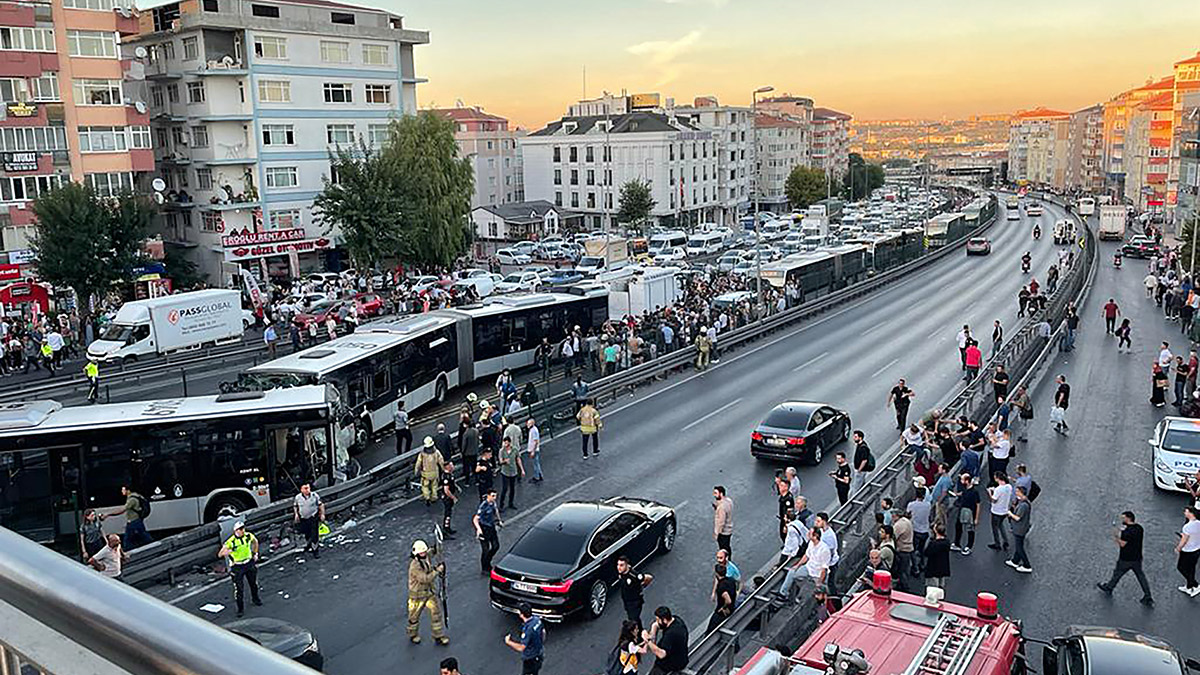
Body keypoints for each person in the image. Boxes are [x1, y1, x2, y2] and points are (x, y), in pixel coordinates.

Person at [1096, 511, 1153, 606]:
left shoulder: (1128, 532)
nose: (1122, 520)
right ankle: (1148, 595)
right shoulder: (1139, 528)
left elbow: (1122, 544)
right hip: (1137, 558)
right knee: (1141, 577)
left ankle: (1109, 587)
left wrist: (1116, 537)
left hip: (1126, 559)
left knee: (1117, 573)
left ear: (1128, 518)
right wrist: (1122, 531)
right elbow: (1130, 535)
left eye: (1123, 518)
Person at [407, 539, 449, 645]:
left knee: (436, 615)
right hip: (417, 595)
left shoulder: (425, 557)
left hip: (429, 592)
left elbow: (431, 552)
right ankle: (412, 634)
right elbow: (424, 579)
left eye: (425, 552)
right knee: (414, 617)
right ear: (416, 554)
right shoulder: (415, 566)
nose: (424, 553)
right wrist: (437, 571)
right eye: (422, 552)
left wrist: (436, 547)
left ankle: (438, 636)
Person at [218, 521, 262, 617]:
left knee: (253, 583)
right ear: (236, 531)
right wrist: (228, 551)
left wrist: (255, 553)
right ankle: (240, 608)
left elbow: (255, 542)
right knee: (239, 588)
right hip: (237, 566)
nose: (242, 531)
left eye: (243, 528)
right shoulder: (231, 541)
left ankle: (255, 599)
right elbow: (220, 553)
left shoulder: (248, 536)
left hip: (248, 563)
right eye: (240, 529)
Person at [643, 606, 688, 675]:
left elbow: (661, 654)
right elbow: (657, 626)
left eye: (658, 620)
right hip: (682, 659)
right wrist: (654, 627)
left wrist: (647, 639)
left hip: (669, 665)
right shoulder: (677, 620)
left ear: (664, 620)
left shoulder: (670, 634)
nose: (657, 622)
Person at [504, 603, 545, 674]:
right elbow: (543, 632)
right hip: (539, 653)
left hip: (531, 659)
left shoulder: (528, 630)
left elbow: (521, 647)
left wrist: (508, 642)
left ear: (522, 615)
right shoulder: (537, 620)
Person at [107, 485, 152, 549]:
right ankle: (153, 545)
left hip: (134, 521)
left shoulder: (132, 499)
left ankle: (129, 552)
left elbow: (123, 509)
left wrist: (108, 514)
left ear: (128, 490)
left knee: (128, 539)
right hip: (135, 521)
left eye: (123, 490)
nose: (122, 491)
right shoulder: (135, 496)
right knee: (141, 535)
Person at [616, 555, 652, 628]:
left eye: (621, 565)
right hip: (626, 600)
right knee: (634, 619)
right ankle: (640, 630)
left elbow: (649, 577)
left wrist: (643, 585)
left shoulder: (634, 575)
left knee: (633, 620)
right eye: (618, 565)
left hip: (634, 602)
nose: (619, 567)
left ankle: (638, 636)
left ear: (626, 565)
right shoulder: (621, 573)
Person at [292, 482, 325, 558]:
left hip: (313, 517)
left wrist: (322, 514)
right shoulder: (298, 497)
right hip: (303, 518)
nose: (307, 490)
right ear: (301, 489)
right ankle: (309, 545)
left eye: (308, 488)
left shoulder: (314, 496)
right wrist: (296, 514)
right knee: (307, 533)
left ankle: (315, 550)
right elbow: (295, 506)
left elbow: (321, 505)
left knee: (314, 534)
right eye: (305, 488)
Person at [474, 489, 503, 573]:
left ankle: (488, 561)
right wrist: (479, 529)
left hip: (491, 527)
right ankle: (484, 567)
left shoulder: (493, 503)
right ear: (488, 496)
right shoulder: (483, 506)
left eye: (495, 496)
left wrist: (499, 520)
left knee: (496, 546)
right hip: (484, 529)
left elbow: (496, 511)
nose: (495, 497)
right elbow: (475, 519)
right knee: (485, 550)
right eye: (493, 496)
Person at [951, 473, 980, 555]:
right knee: (958, 526)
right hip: (962, 510)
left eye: (962, 480)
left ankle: (969, 546)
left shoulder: (975, 492)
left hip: (970, 512)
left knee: (970, 529)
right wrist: (957, 494)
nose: (961, 481)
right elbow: (962, 493)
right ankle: (957, 543)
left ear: (967, 481)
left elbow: (978, 505)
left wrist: (976, 518)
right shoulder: (965, 488)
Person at [1005, 485, 1032, 573]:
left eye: (1017, 492)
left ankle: (1027, 565)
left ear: (1021, 493)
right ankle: (1015, 561)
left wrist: (1009, 513)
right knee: (1018, 545)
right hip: (1021, 528)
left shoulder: (1023, 505)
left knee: (1019, 547)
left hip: (1020, 529)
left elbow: (1017, 518)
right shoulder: (1023, 502)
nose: (1015, 493)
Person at [1176, 506, 1200, 597]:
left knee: (1181, 567)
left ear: (1191, 513)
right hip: (1197, 549)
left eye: (1186, 511)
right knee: (1191, 568)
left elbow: (1184, 540)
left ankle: (1196, 585)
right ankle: (1189, 587)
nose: (1184, 513)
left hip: (1188, 550)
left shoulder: (1187, 527)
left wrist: (1178, 548)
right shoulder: (1199, 523)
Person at [707, 562, 737, 633]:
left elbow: (728, 600)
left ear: (717, 573)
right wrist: (714, 593)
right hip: (732, 606)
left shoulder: (721, 587)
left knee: (711, 628)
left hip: (723, 611)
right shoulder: (731, 580)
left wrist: (723, 607)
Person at [415, 436, 445, 506]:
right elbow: (441, 461)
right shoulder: (436, 452)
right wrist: (443, 469)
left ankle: (427, 497)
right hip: (434, 472)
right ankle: (434, 497)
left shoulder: (422, 454)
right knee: (434, 485)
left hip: (425, 473)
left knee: (425, 486)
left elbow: (418, 464)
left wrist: (416, 471)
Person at [498, 437, 524, 511]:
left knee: (512, 489)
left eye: (506, 443)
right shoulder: (501, 451)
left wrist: (522, 470)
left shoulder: (515, 449)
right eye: (504, 443)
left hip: (513, 472)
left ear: (509, 443)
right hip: (505, 472)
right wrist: (504, 461)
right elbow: (500, 461)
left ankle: (511, 503)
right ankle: (501, 505)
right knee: (504, 489)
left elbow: (518, 459)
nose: (505, 444)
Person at [924, 524, 951, 588]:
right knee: (941, 585)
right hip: (943, 567)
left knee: (932, 587)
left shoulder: (934, 544)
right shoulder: (947, 542)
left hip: (933, 569)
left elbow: (926, 553)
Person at [712, 485, 734, 556]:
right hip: (729, 530)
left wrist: (717, 534)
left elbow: (721, 522)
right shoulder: (729, 501)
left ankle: (726, 562)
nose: (714, 495)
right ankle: (728, 560)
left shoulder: (721, 507)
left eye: (716, 493)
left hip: (723, 533)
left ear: (721, 494)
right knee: (727, 547)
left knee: (723, 549)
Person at [440, 460, 458, 537]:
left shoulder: (450, 474)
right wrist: (453, 497)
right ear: (447, 466)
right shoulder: (446, 476)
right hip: (447, 498)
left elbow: (452, 483)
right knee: (447, 514)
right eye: (451, 465)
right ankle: (445, 529)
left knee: (449, 513)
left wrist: (456, 487)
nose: (453, 466)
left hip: (449, 496)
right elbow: (446, 490)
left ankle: (448, 528)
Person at [525, 419, 543, 483]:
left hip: (534, 450)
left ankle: (537, 477)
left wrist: (533, 451)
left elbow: (535, 441)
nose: (527, 424)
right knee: (536, 463)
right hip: (534, 450)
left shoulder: (533, 431)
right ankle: (539, 475)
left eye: (528, 423)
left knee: (535, 464)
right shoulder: (532, 430)